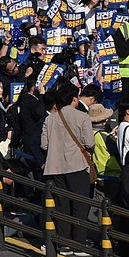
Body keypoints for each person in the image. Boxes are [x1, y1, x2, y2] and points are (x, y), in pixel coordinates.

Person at [40, 86, 94, 247]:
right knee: (80, 204)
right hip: (77, 165)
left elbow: (44, 145)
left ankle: (64, 242)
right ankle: (79, 243)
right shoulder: (82, 117)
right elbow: (90, 143)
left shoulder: (50, 119)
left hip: (55, 167)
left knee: (62, 206)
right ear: (74, 99)